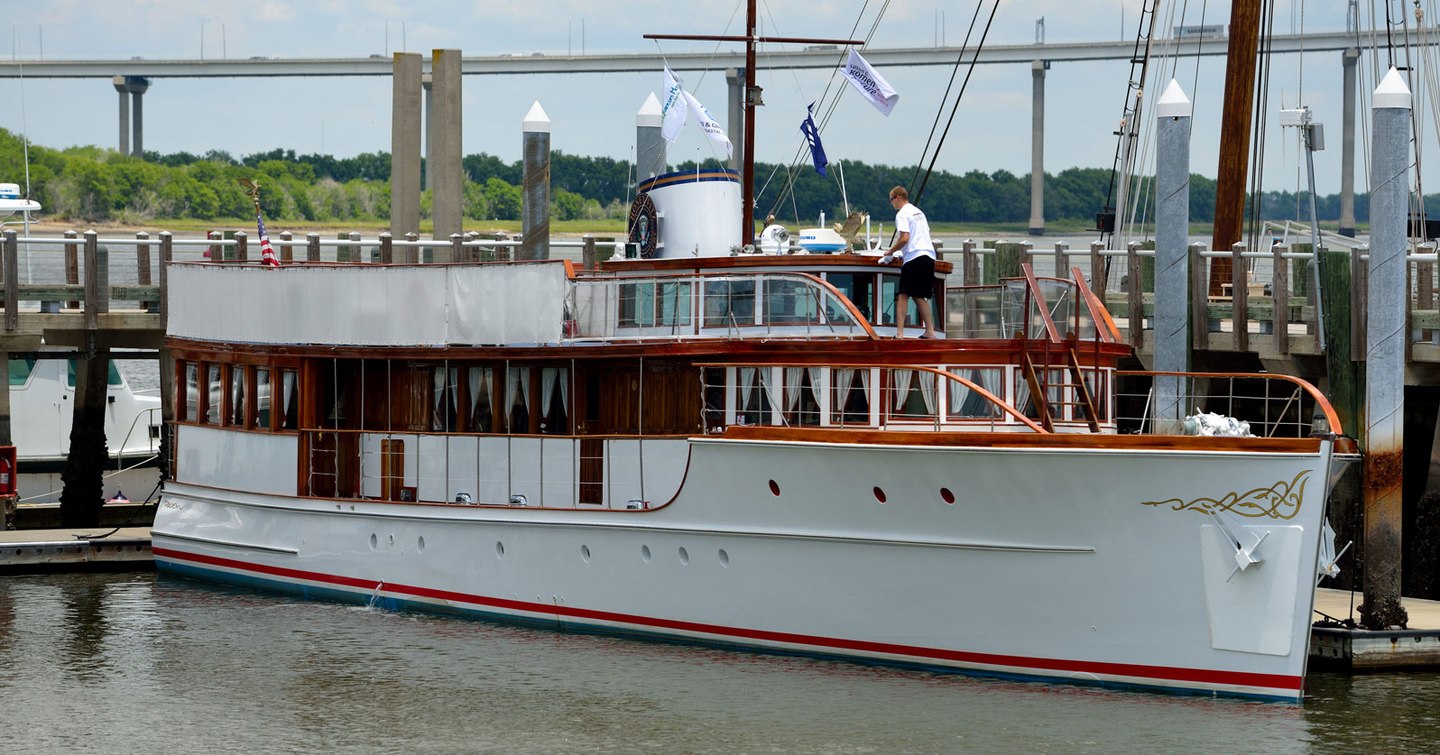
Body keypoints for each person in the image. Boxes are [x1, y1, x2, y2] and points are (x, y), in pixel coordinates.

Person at [880, 186, 938, 338]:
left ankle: (899, 333)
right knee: (919, 295)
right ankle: (930, 331)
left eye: (891, 200)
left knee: (903, 294)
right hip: (929, 256)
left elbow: (905, 238)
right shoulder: (919, 212)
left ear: (897, 197)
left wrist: (890, 252)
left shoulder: (902, 214)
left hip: (914, 257)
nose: (891, 204)